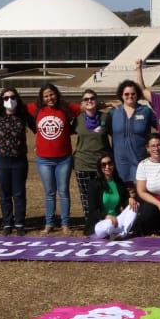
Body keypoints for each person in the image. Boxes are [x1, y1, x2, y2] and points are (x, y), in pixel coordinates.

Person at [0, 87, 34, 235]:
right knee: (4, 193)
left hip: (19, 160)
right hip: (1, 160)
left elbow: (37, 127)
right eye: (5, 98)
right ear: (2, 100)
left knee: (19, 193)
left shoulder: (23, 115)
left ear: (17, 99)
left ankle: (19, 223)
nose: (9, 100)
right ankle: (7, 223)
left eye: (12, 97)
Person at [28, 83, 76, 234]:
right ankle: (49, 223)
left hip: (64, 159)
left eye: (52, 94)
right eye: (46, 96)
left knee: (63, 191)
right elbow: (15, 105)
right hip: (44, 160)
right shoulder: (36, 109)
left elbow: (86, 106)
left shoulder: (66, 108)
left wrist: (106, 103)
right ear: (42, 98)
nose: (50, 98)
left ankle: (65, 224)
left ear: (57, 94)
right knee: (49, 192)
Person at [72, 89, 112, 230]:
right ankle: (90, 224)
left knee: (103, 196)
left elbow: (115, 136)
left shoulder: (106, 118)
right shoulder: (77, 120)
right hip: (82, 163)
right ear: (82, 103)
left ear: (96, 100)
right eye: (86, 99)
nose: (89, 101)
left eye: (92, 98)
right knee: (86, 197)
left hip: (102, 165)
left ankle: (103, 223)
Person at [109, 80, 155, 186]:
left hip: (140, 161)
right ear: (121, 95)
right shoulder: (114, 112)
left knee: (141, 195)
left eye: (133, 94)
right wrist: (108, 103)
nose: (130, 96)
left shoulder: (145, 111)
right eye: (126, 94)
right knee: (124, 197)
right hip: (120, 163)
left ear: (137, 95)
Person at [86, 154, 129, 238]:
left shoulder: (118, 182)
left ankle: (122, 234)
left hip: (116, 220)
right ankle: (114, 232)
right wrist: (106, 216)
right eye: (104, 164)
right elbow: (93, 210)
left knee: (135, 205)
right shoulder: (94, 184)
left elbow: (124, 202)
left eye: (110, 163)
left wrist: (130, 200)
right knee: (109, 224)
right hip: (102, 223)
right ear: (99, 167)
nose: (107, 166)